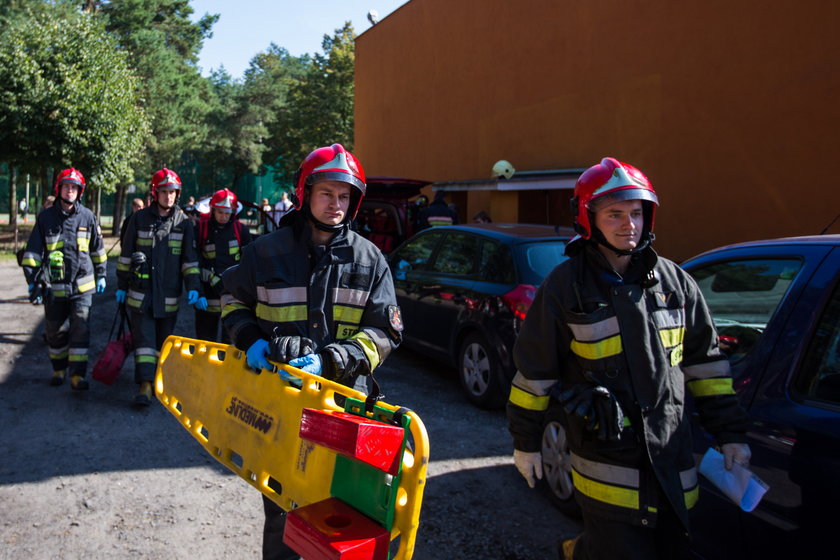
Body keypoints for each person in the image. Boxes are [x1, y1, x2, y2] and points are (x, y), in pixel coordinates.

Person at [506, 157, 752, 560]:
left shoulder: (676, 284)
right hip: (607, 471)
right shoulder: (565, 288)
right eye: (615, 214)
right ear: (589, 219)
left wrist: (731, 434)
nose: (629, 225)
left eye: (636, 213)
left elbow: (706, 368)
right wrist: (526, 442)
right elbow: (534, 374)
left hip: (672, 465)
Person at [220, 143, 403, 560]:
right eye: (326, 193)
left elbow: (384, 333)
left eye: (344, 196)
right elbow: (231, 300)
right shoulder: (264, 252)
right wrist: (251, 340)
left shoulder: (371, 260)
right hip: (280, 408)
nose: (336, 204)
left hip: (346, 407)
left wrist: (330, 359)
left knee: (343, 520)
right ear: (305, 193)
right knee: (283, 515)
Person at [116, 169, 202, 406]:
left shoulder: (183, 223)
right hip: (140, 294)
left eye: (172, 192)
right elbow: (125, 255)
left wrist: (193, 285)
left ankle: (159, 384)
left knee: (164, 342)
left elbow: (190, 260)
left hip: (168, 296)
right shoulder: (139, 218)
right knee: (144, 341)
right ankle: (144, 385)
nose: (168, 196)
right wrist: (122, 285)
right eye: (164, 192)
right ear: (155, 193)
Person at [20, 168, 107, 389]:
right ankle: (59, 369)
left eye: (75, 187)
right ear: (59, 189)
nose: (71, 190)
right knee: (54, 331)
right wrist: (33, 281)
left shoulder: (87, 216)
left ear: (80, 191)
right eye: (67, 186)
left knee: (81, 328)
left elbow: (98, 249)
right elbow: (33, 253)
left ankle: (77, 376)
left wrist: (102, 274)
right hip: (54, 288)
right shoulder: (45, 218)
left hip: (82, 287)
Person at [195, 188, 252, 343]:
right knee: (205, 342)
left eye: (227, 213)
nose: (224, 217)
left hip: (233, 296)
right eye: (220, 212)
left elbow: (248, 262)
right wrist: (198, 290)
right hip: (207, 296)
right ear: (212, 210)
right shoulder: (201, 229)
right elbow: (194, 260)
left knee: (231, 344)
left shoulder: (241, 230)